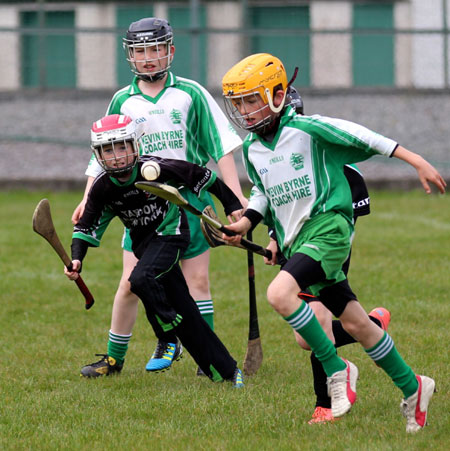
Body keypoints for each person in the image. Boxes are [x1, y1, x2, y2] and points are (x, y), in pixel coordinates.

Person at [221, 53, 446, 432]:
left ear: (277, 95)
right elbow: (264, 193)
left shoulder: (310, 129)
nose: (244, 111)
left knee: (279, 295)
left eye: (251, 100)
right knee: (358, 324)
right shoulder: (252, 149)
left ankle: (336, 369)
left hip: (329, 229)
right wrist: (246, 222)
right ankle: (414, 386)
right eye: (238, 103)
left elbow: (365, 137)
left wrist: (416, 159)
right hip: (298, 240)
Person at [71, 17, 247, 375]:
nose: (149, 58)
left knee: (197, 281)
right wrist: (88, 195)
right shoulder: (123, 99)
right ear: (130, 56)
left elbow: (222, 146)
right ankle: (114, 359)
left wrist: (237, 198)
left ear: (170, 51)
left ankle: (206, 359)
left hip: (189, 200)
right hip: (139, 205)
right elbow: (102, 154)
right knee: (130, 283)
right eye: (140, 51)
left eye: (155, 49)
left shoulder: (191, 93)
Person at [65, 113, 244, 387]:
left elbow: (204, 176)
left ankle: (168, 335)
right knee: (186, 310)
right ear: (97, 154)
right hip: (145, 245)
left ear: (135, 146)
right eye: (107, 150)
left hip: (172, 233)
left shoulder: (155, 169)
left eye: (122, 146)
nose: (115, 156)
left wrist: (232, 205)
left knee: (139, 280)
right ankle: (227, 371)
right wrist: (77, 259)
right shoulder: (102, 187)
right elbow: (85, 227)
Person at [283, 87, 392, 424]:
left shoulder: (347, 173)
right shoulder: (279, 166)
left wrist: (316, 255)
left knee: (317, 324)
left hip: (329, 254)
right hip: (296, 252)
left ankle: (326, 404)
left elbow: (345, 231)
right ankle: (371, 325)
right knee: (306, 338)